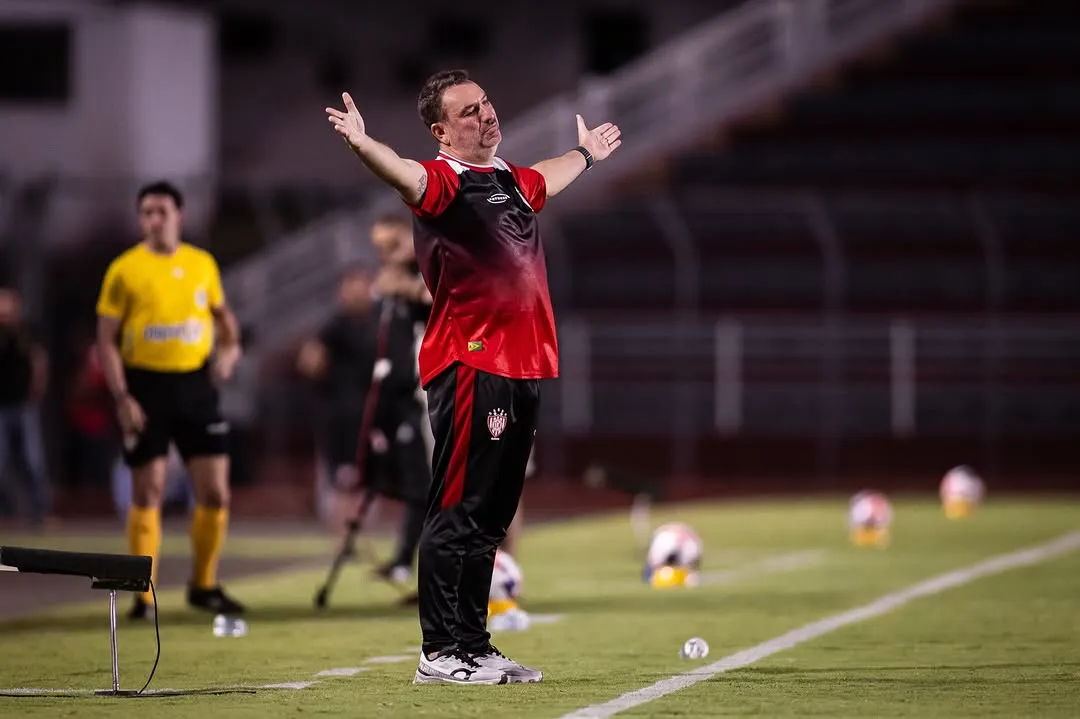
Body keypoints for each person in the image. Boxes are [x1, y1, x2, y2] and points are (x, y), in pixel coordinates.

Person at [325, 68, 621, 685]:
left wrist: (587, 154)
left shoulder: (509, 179)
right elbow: (401, 172)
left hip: (523, 365)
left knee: (490, 517)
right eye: (468, 112)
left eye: (485, 103)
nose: (486, 114)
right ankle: (439, 652)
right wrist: (362, 143)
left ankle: (474, 645)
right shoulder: (442, 181)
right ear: (442, 132)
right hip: (470, 362)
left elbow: (549, 176)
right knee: (457, 510)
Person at [95, 180, 245, 620]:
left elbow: (225, 321)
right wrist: (122, 396)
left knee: (215, 491)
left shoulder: (202, 264)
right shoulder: (124, 270)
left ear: (179, 215)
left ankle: (204, 585)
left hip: (196, 385)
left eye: (162, 211)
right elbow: (106, 341)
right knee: (149, 490)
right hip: (145, 387)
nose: (154, 220)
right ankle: (143, 596)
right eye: (147, 213)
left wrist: (230, 350)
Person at [0, 287, 51, 528]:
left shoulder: (26, 332)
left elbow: (39, 361)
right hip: (1, 406)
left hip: (23, 404)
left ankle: (40, 512)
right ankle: (5, 513)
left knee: (32, 459)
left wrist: (37, 390)